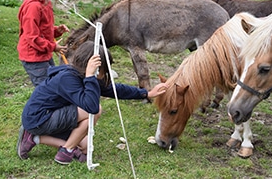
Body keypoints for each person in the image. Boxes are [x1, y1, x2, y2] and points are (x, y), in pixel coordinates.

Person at [16, 41, 169, 165]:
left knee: (84, 146)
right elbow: (91, 107)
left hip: (49, 116)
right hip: (39, 118)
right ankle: (66, 151)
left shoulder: (83, 76)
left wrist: (146, 93)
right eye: (105, 68)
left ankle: (34, 138)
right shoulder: (68, 79)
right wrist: (90, 77)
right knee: (94, 111)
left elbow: (114, 89)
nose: (106, 73)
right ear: (93, 66)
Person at [17, 0, 69, 87]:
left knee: (52, 82)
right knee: (46, 89)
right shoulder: (33, 7)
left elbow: (43, 29)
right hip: (34, 57)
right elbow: (32, 37)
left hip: (44, 53)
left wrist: (56, 31)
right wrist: (53, 47)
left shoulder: (45, 3)